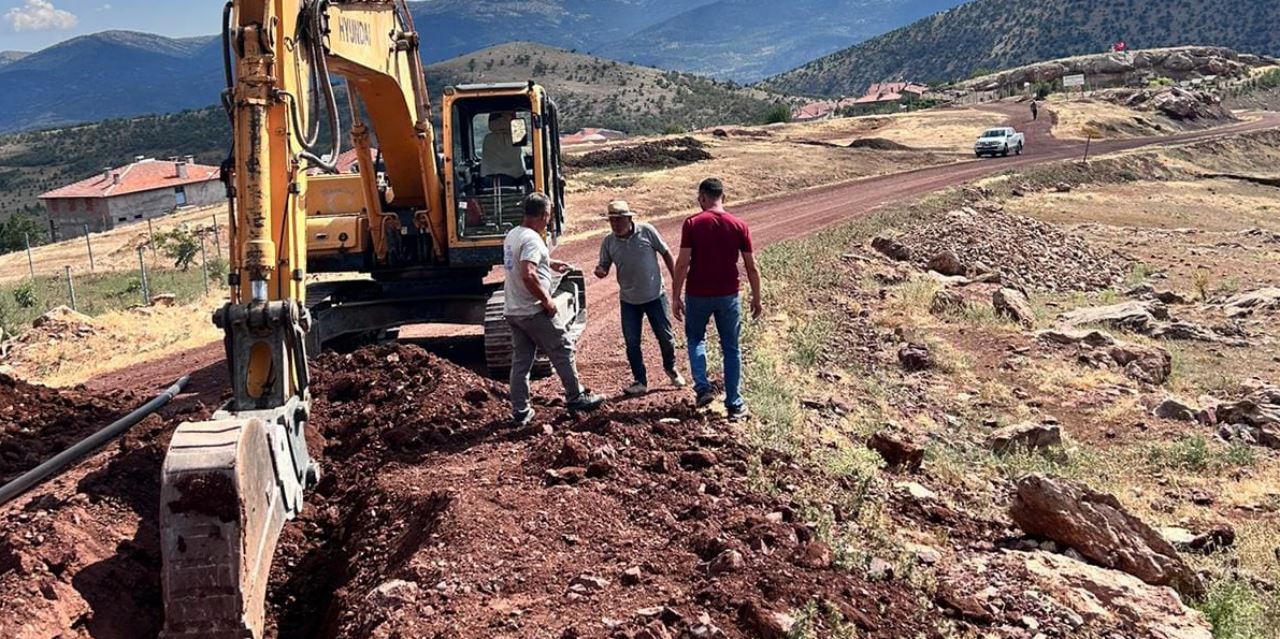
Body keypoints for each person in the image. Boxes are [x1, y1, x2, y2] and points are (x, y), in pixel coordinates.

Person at [503, 193, 604, 425]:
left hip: (514, 310)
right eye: (548, 216)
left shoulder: (513, 235)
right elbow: (527, 274)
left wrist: (550, 263)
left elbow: (523, 263)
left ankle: (520, 411)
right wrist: (547, 300)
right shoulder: (532, 239)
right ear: (544, 215)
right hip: (533, 310)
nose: (548, 221)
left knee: (521, 362)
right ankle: (575, 396)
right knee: (563, 348)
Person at [672, 178, 762, 420]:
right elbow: (751, 267)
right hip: (728, 295)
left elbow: (682, 263)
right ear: (723, 197)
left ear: (702, 197)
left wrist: (675, 295)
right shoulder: (739, 225)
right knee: (731, 348)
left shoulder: (692, 224)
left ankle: (702, 388)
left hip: (697, 294)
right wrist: (757, 297)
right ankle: (734, 404)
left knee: (696, 339)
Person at [594, 200, 687, 396]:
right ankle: (640, 381)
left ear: (629, 218)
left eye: (618, 220)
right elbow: (604, 265)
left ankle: (670, 368)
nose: (615, 224)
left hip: (655, 296)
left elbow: (666, 253)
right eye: (611, 221)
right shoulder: (609, 242)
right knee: (632, 342)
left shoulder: (646, 231)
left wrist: (675, 281)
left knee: (666, 337)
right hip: (629, 300)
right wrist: (600, 270)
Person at [482, 112, 527, 184]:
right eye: (512, 116)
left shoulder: (488, 138)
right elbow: (518, 124)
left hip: (489, 180)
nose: (515, 117)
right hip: (515, 179)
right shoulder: (517, 134)